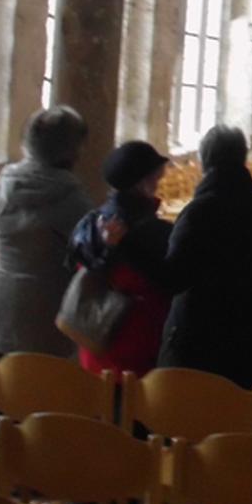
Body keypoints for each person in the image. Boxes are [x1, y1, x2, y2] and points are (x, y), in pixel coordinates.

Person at [158, 126, 252, 388]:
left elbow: (173, 277)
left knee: (193, 406)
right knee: (242, 407)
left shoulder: (197, 212)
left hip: (200, 332)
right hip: (249, 327)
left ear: (205, 160)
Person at [0, 106, 93, 359]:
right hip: (50, 305)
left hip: (4, 300)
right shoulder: (72, 198)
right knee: (48, 380)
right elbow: (89, 254)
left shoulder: (4, 185)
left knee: (8, 377)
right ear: (74, 149)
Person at [66, 141, 174, 377]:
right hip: (136, 343)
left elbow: (75, 265)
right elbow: (169, 283)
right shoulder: (155, 232)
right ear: (144, 183)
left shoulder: (89, 223)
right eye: (156, 178)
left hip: (94, 338)